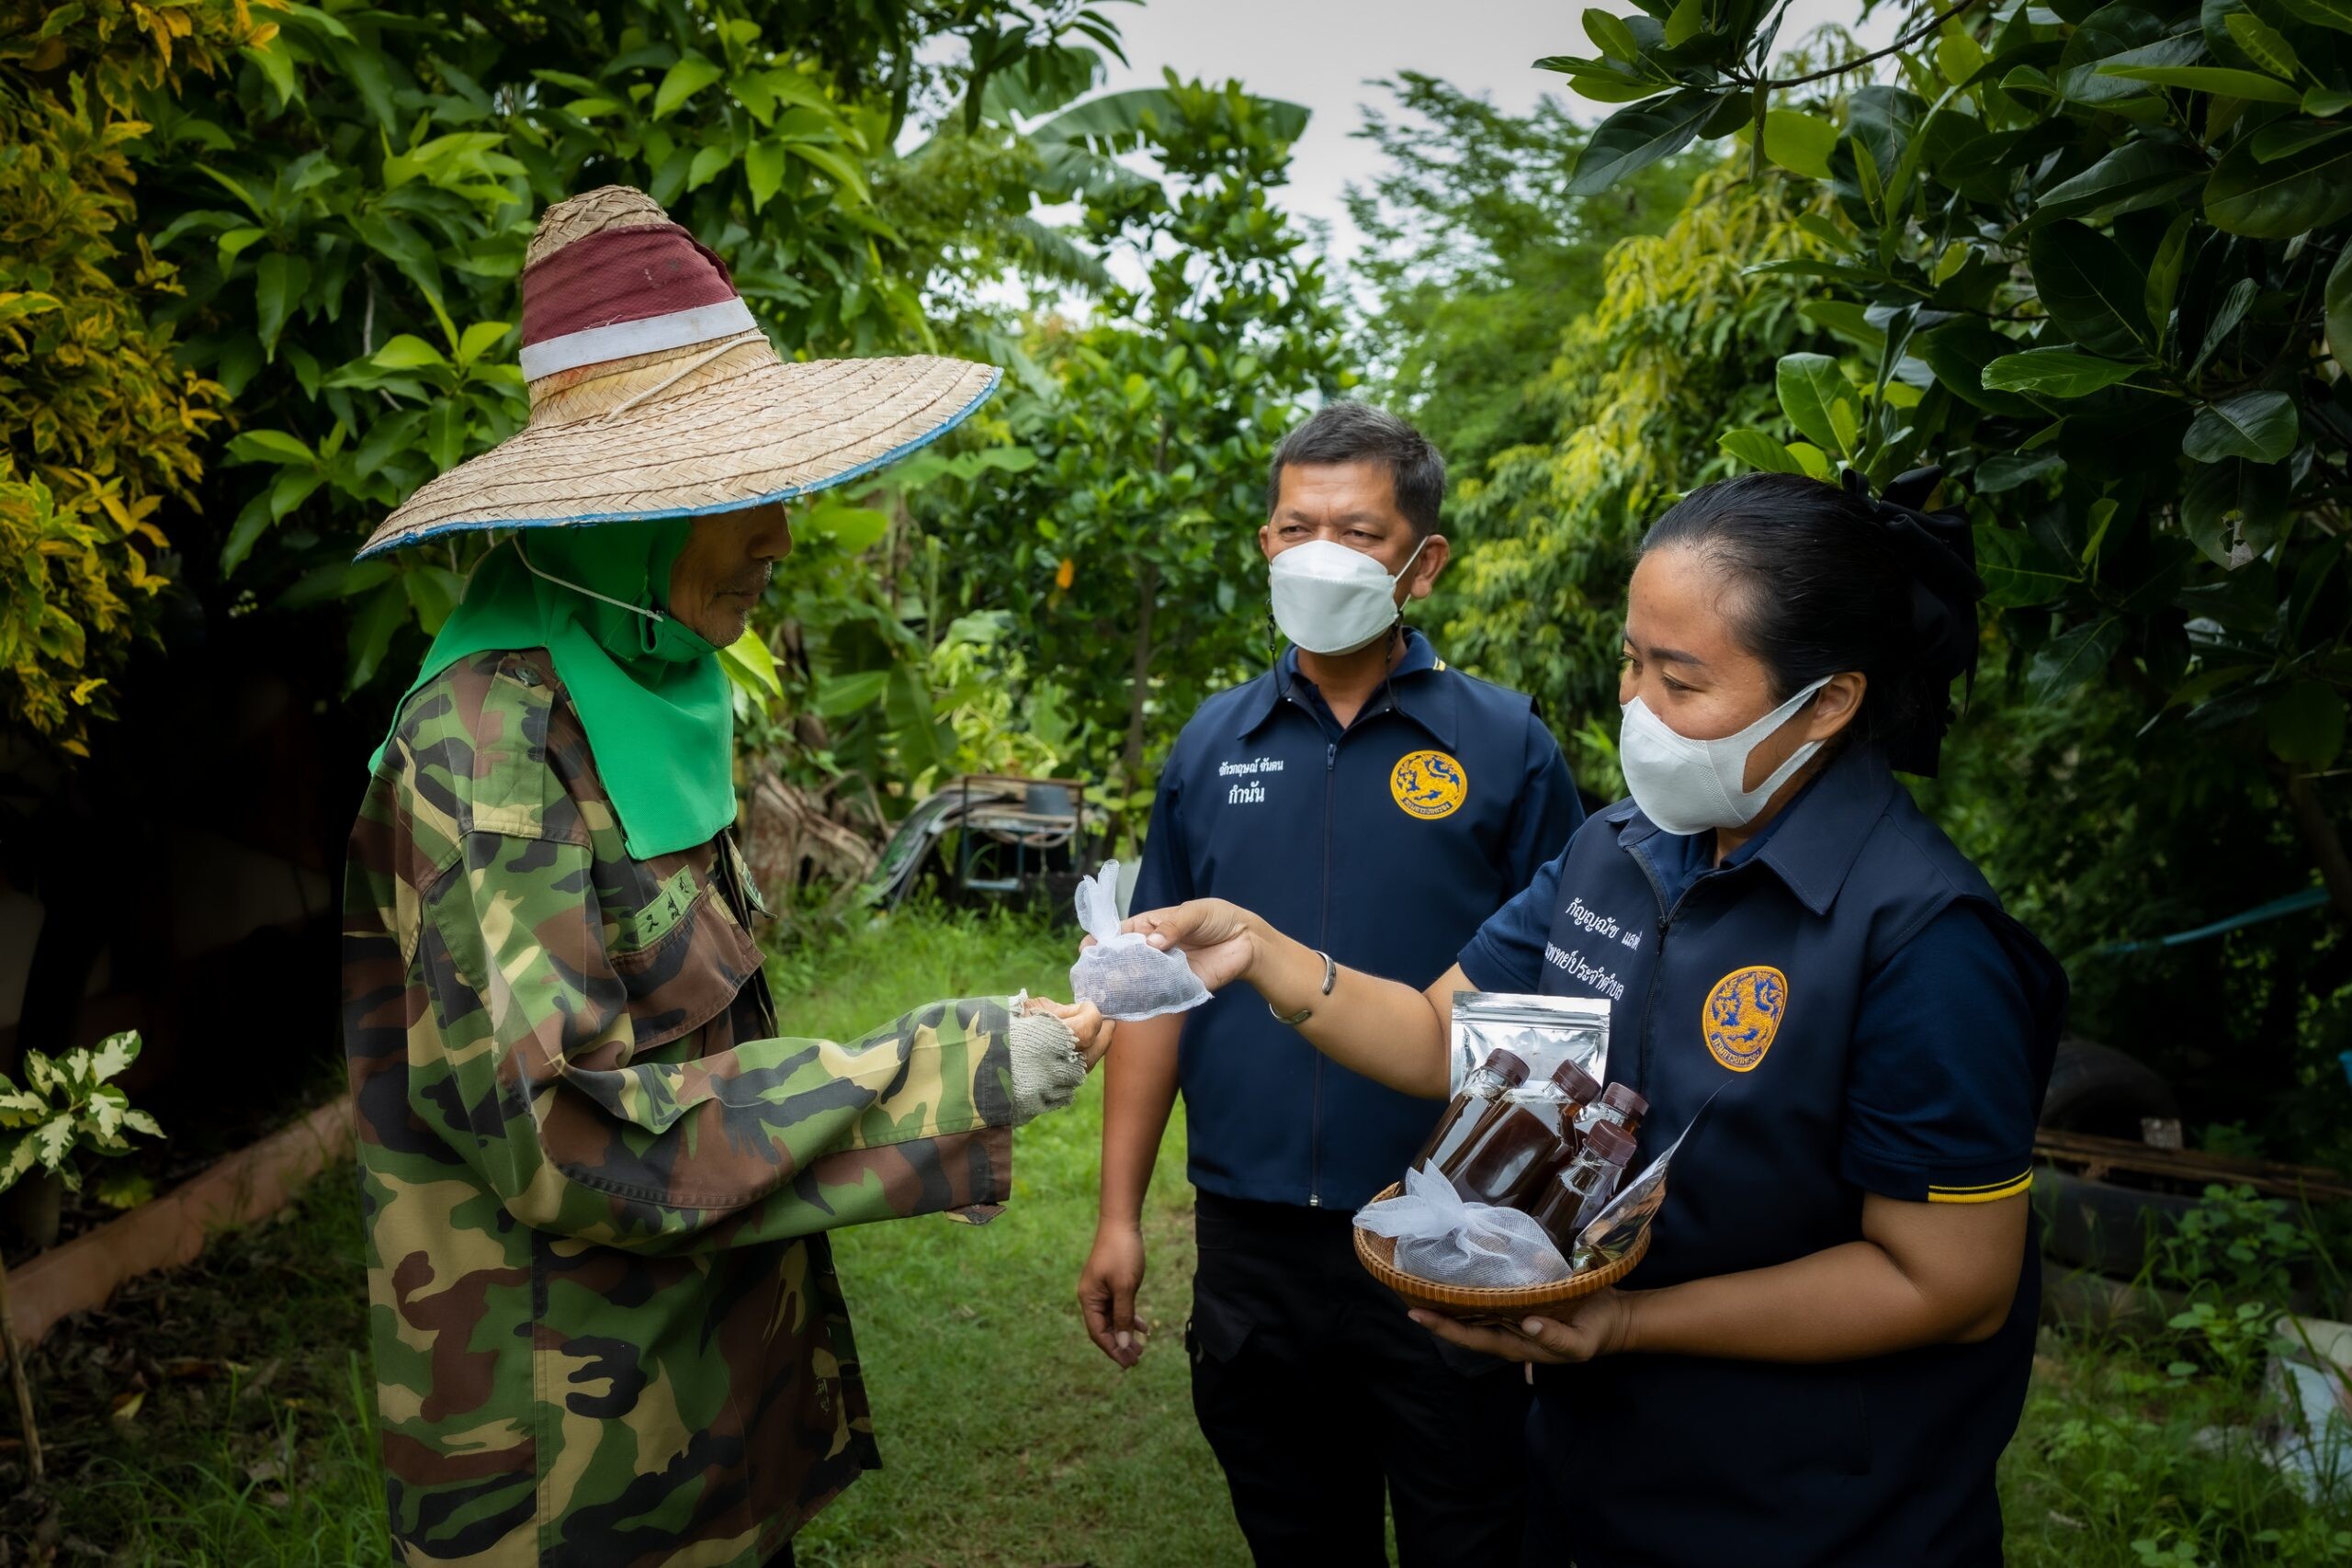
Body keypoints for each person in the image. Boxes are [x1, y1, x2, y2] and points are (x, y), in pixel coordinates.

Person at [340, 186, 1114, 1568]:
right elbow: (571, 1136)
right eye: (736, 496)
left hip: (693, 1413)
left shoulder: (644, 685)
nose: (781, 536)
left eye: (778, 489)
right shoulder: (490, 756)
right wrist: (948, 1067)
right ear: (615, 518)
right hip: (568, 1478)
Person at [1124, 469, 2066, 1567]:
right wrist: (1268, 955)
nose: (1635, 707)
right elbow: (1443, 1039)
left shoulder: (1922, 937)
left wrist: (1628, 1324)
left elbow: (1946, 1283)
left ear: (1829, 701)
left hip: (1810, 1510)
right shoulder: (1615, 855)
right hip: (1593, 1482)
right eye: (1630, 661)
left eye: (1680, 681)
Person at [1077, 403, 1583, 1564]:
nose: (1319, 553)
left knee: (1475, 1528)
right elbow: (1156, 994)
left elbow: (1560, 1004)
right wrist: (1117, 1215)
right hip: (1254, 1248)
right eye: (1296, 526)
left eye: (1356, 532)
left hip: (1452, 1237)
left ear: (1422, 562)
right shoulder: (1210, 748)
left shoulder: (1504, 747)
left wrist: (1537, 1233)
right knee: (1298, 1534)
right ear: (1263, 546)